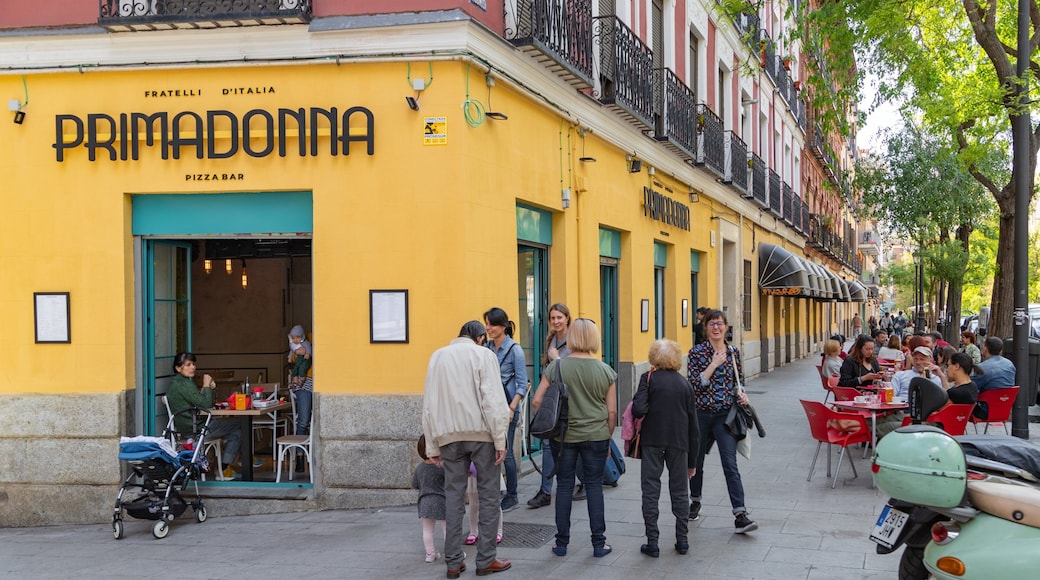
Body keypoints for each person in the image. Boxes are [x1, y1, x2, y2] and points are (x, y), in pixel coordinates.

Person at [422, 321, 512, 578]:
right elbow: (493, 399)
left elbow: (429, 402)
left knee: (453, 497)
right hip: (481, 434)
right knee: (488, 496)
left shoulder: (437, 357)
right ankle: (485, 559)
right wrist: (500, 440)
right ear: (480, 337)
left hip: (448, 436)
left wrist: (432, 445)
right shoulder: (483, 354)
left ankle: (452, 561)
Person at [532, 318, 617, 558]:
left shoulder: (557, 367)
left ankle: (561, 543)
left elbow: (537, 400)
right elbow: (612, 412)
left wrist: (552, 423)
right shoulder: (605, 370)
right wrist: (608, 437)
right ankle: (599, 543)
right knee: (593, 487)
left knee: (565, 486)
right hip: (596, 435)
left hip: (564, 437)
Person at [687, 309, 758, 534]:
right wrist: (714, 364)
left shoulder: (734, 352)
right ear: (705, 328)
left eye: (719, 324)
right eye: (711, 324)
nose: (716, 328)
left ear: (726, 327)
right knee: (695, 462)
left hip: (725, 416)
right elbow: (694, 385)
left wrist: (742, 393)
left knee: (730, 463)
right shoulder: (697, 352)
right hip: (700, 414)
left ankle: (740, 514)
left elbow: (739, 380)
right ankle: (695, 499)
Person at [631, 339, 699, 557]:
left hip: (652, 441)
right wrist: (692, 463)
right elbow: (694, 426)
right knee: (679, 491)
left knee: (650, 489)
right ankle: (682, 541)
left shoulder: (648, 379)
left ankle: (652, 542)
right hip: (679, 443)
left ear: (653, 356)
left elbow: (639, 409)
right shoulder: (685, 384)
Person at [527, 303, 586, 509]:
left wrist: (556, 359)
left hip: (570, 397)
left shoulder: (574, 340)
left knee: (570, 441)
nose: (556, 321)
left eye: (559, 317)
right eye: (553, 318)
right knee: (547, 442)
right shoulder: (551, 338)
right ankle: (545, 491)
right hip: (554, 396)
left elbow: (574, 369)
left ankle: (585, 481)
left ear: (567, 318)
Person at [165, 352, 243, 481]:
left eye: (193, 364)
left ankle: (225, 468)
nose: (193, 367)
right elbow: (206, 404)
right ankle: (229, 466)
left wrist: (206, 388)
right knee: (241, 422)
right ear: (178, 368)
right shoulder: (184, 384)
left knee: (237, 433)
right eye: (188, 365)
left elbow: (197, 400)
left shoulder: (176, 383)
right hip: (199, 429)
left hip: (187, 429)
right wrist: (206, 384)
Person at [483, 307, 528, 514]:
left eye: (491, 324)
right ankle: (496, 491)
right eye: (486, 323)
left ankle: (512, 494)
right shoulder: (487, 347)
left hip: (507, 406)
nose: (488, 328)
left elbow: (521, 383)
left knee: (506, 452)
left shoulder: (514, 350)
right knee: (492, 450)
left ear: (503, 326)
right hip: (490, 407)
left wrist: (512, 408)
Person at [876, 346, 943, 439]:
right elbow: (891, 396)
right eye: (916, 359)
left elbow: (935, 404)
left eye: (922, 359)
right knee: (873, 421)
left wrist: (924, 383)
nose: (918, 362)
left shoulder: (935, 379)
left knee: (882, 427)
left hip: (922, 417)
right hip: (901, 411)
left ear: (930, 360)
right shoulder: (901, 375)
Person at [412, 434, 446, 564]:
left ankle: (430, 554)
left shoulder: (419, 468)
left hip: (424, 502)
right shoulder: (441, 466)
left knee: (427, 530)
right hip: (442, 501)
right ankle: (451, 552)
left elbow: (415, 484)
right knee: (447, 528)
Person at [973, 336, 1018, 420]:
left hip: (984, 410)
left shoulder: (982, 367)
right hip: (1004, 409)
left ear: (985, 349)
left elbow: (972, 387)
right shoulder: (1010, 364)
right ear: (1000, 350)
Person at [465, 462, 503, 546]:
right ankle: (473, 531)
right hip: (471, 465)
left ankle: (498, 531)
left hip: (489, 465)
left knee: (494, 501)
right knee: (473, 503)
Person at [287, 324, 313, 436]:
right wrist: (297, 352)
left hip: (322, 383)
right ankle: (299, 451)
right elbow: (294, 356)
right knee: (304, 420)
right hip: (305, 384)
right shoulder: (306, 339)